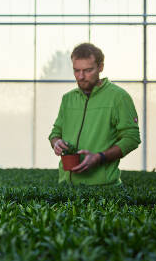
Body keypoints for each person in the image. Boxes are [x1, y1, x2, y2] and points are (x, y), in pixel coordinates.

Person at [49, 43, 141, 185]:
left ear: (100, 67)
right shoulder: (68, 99)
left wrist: (100, 157)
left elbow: (131, 138)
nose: (81, 76)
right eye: (76, 70)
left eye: (87, 70)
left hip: (104, 188)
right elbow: (55, 133)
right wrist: (56, 143)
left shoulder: (118, 97)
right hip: (66, 187)